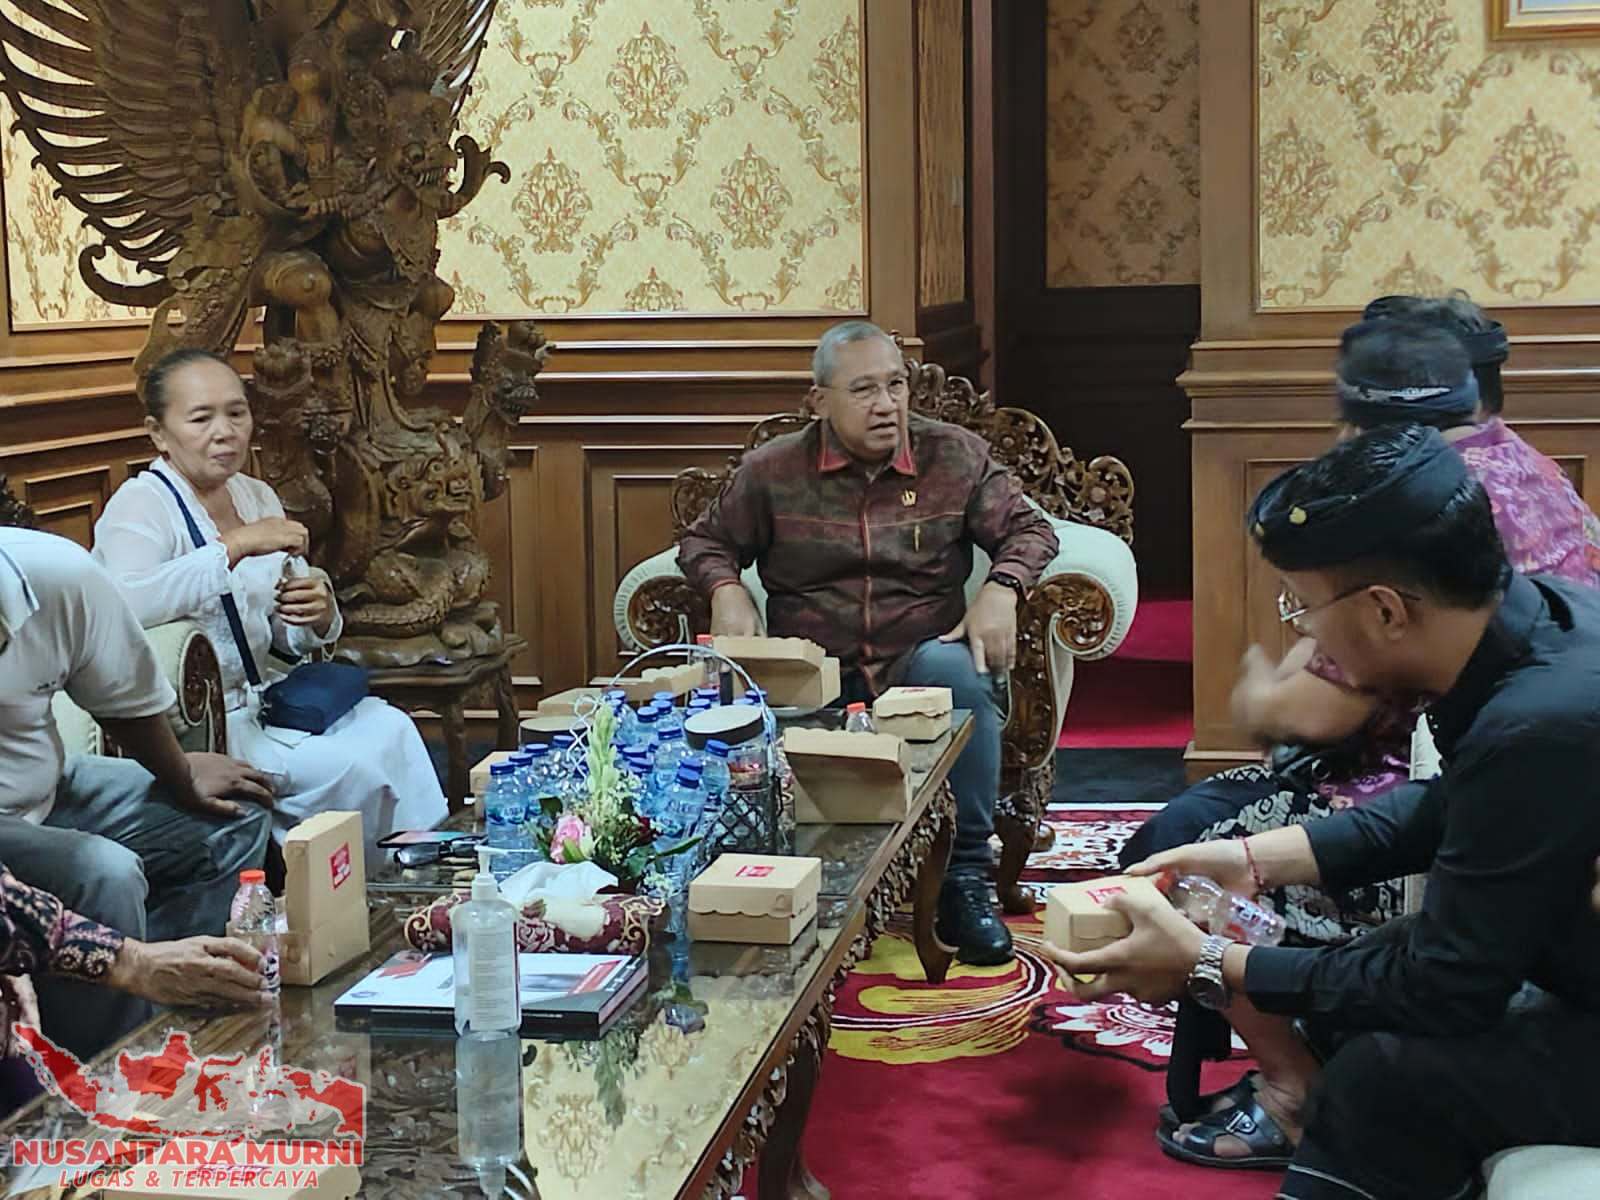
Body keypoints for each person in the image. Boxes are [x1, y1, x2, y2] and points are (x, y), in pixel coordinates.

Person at [1045, 425, 1600, 1197]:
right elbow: (1461, 806)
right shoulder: (1540, 619)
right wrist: (1252, 860)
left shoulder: (1538, 721)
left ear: (1385, 611)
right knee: (1365, 994)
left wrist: (1208, 963)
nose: (1301, 630)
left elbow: (1446, 984)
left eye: (1302, 606)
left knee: (1383, 1081)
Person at [678, 321, 1060, 965]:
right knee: (753, 697)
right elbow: (704, 540)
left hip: (919, 655)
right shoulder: (773, 471)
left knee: (959, 672)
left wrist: (1001, 588)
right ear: (819, 401)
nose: (886, 405)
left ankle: (966, 877)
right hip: (815, 664)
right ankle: (768, 878)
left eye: (896, 386)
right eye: (864, 390)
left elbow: (1031, 531)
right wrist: (727, 589)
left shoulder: (953, 456)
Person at [93, 349, 447, 869]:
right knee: (352, 766)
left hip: (271, 701)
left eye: (236, 413)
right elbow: (125, 602)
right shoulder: (141, 504)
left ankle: (418, 874)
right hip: (203, 730)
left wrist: (317, 612)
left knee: (392, 728)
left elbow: (285, 632)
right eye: (201, 418)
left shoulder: (255, 495)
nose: (225, 432)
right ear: (159, 433)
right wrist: (235, 546)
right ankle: (352, 891)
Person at [0, 523, 274, 1058]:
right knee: (105, 873)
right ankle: (105, 1076)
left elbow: (122, 696)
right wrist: (132, 961)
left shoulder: (59, 575)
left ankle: (186, 1018)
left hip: (49, 783)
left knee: (234, 814)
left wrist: (180, 776)